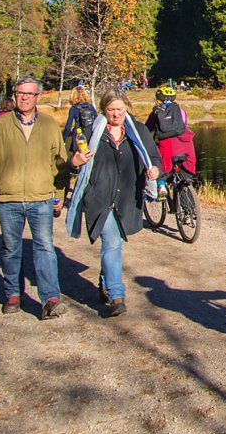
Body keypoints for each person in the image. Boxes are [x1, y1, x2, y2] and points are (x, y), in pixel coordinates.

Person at [0, 76, 70, 319]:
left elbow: (59, 163)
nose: (24, 97)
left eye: (29, 93)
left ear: (38, 97)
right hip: (8, 198)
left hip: (41, 197)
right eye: (20, 93)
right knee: (10, 247)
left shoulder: (49, 125)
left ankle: (51, 298)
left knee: (45, 247)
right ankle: (13, 293)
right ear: (14, 96)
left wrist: (59, 194)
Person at [65, 92, 159, 318]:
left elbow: (154, 158)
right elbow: (70, 159)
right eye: (111, 109)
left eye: (120, 109)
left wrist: (155, 170)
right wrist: (75, 162)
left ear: (127, 107)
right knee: (112, 243)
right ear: (103, 109)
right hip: (100, 197)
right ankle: (117, 296)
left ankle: (105, 280)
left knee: (114, 245)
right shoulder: (91, 132)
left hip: (127, 197)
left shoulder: (138, 131)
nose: (116, 114)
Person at [145, 84, 196, 198]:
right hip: (185, 144)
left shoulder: (156, 112)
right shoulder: (180, 111)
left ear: (159, 99)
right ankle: (189, 206)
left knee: (157, 162)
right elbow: (184, 125)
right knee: (184, 177)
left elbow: (147, 129)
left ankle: (161, 185)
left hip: (167, 146)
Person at [62, 85, 98, 157]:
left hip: (78, 137)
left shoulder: (73, 108)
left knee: (78, 159)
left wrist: (63, 140)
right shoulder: (90, 106)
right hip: (91, 135)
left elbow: (68, 127)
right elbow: (97, 121)